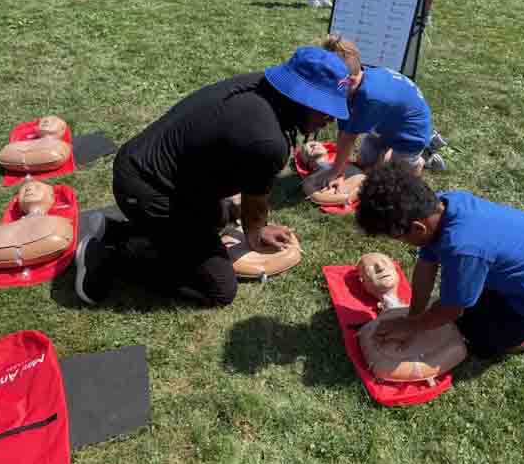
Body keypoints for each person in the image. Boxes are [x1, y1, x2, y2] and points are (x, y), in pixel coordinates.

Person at [74, 46, 352, 308]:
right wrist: (255, 234)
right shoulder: (268, 140)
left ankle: (114, 231)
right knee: (219, 287)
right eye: (325, 106)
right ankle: (110, 258)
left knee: (220, 217)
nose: (331, 118)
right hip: (148, 190)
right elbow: (255, 203)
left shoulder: (262, 88)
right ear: (300, 97)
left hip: (152, 173)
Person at [354, 164, 524, 362]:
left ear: (417, 228)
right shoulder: (444, 204)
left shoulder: (463, 249)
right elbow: (426, 264)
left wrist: (412, 326)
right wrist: (414, 316)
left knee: (482, 341)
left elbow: (450, 311)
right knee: (461, 314)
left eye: (398, 237)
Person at [315, 38, 446, 191]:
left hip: (411, 135)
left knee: (391, 180)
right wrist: (338, 167)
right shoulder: (357, 82)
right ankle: (391, 153)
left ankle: (422, 158)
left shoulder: (368, 98)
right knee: (364, 161)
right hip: (385, 127)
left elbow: (349, 138)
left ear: (349, 81)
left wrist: (336, 172)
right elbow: (344, 130)